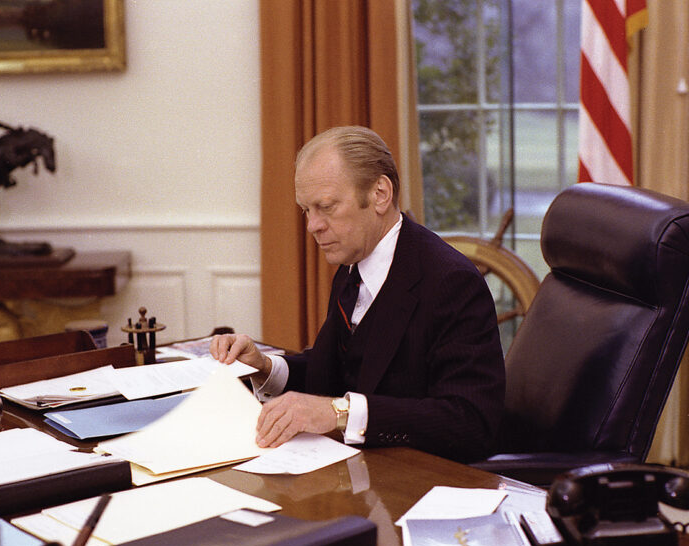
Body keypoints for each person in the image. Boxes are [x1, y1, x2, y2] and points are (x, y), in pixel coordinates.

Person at [211, 126, 504, 463]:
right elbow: (339, 371)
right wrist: (265, 367)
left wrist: (341, 413)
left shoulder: (451, 283)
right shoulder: (353, 265)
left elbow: (470, 422)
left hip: (420, 484)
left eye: (326, 207)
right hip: (361, 473)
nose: (313, 226)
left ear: (380, 193)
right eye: (306, 210)